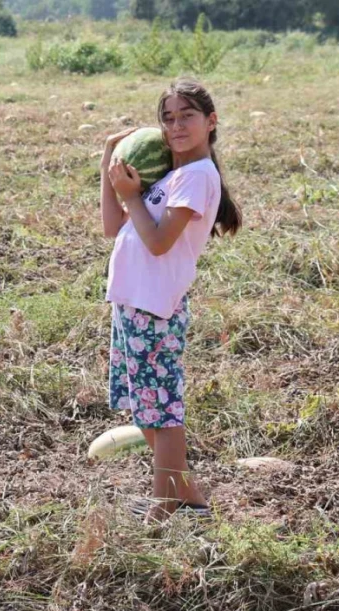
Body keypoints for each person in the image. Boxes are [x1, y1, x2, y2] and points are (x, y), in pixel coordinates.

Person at [99, 78, 242, 525]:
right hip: (132, 301)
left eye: (187, 116)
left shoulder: (198, 176)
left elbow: (159, 242)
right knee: (145, 405)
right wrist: (110, 161)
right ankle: (187, 496)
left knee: (162, 409)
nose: (176, 125)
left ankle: (165, 506)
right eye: (168, 117)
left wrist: (130, 196)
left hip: (155, 306)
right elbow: (111, 226)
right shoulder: (175, 175)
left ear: (211, 122)